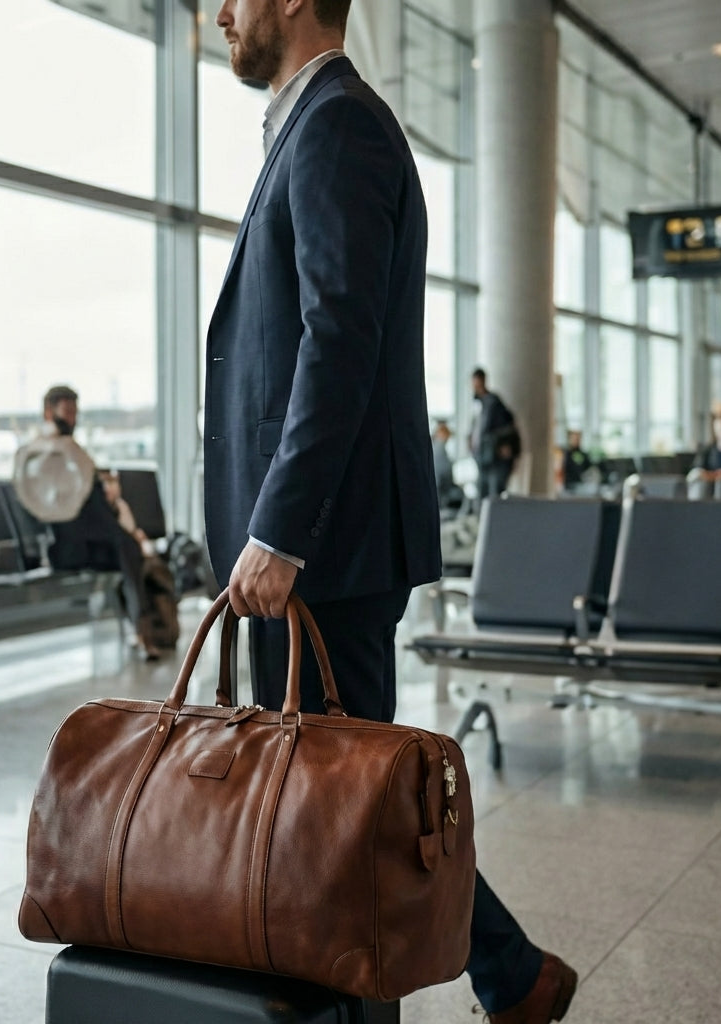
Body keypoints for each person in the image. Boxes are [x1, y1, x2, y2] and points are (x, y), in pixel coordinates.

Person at [204, 2, 576, 1021]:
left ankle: (497, 975)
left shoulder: (337, 125)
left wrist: (280, 531)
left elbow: (339, 341)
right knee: (350, 793)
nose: (219, 11)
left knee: (353, 799)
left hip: (326, 545)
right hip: (327, 540)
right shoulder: (313, 123)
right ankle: (511, 974)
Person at [14, 385, 167, 660]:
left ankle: (141, 627)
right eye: (67, 412)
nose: (72, 419)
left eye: (75, 413)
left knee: (127, 549)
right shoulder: (39, 454)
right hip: (66, 546)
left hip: (89, 542)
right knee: (129, 548)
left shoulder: (66, 452)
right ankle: (143, 629)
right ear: (48, 413)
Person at [468, 368, 520, 504]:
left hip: (493, 457)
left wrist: (504, 445)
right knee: (482, 493)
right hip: (481, 456)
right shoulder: (477, 403)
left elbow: (507, 426)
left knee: (493, 495)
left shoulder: (493, 403)